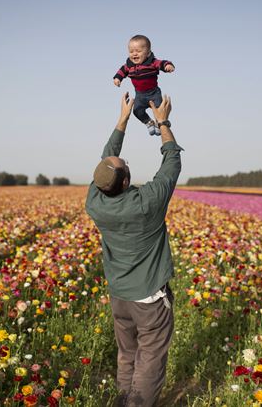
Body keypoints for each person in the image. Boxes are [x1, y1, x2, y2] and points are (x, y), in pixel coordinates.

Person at [85, 92, 183, 406]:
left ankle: (123, 398)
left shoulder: (95, 201)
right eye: (125, 166)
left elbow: (107, 161)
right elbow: (172, 161)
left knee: (127, 352)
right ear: (127, 181)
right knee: (150, 359)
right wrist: (163, 121)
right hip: (149, 298)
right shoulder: (146, 203)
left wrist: (123, 119)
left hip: (119, 295)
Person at [113, 35, 175, 137]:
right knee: (137, 111)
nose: (134, 54)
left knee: (159, 109)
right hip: (140, 95)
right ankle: (149, 122)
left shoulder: (152, 62)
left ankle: (160, 123)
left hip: (153, 93)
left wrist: (167, 66)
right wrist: (117, 78)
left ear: (148, 53)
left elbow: (162, 63)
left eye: (138, 51)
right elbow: (122, 71)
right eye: (131, 51)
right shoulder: (128, 66)